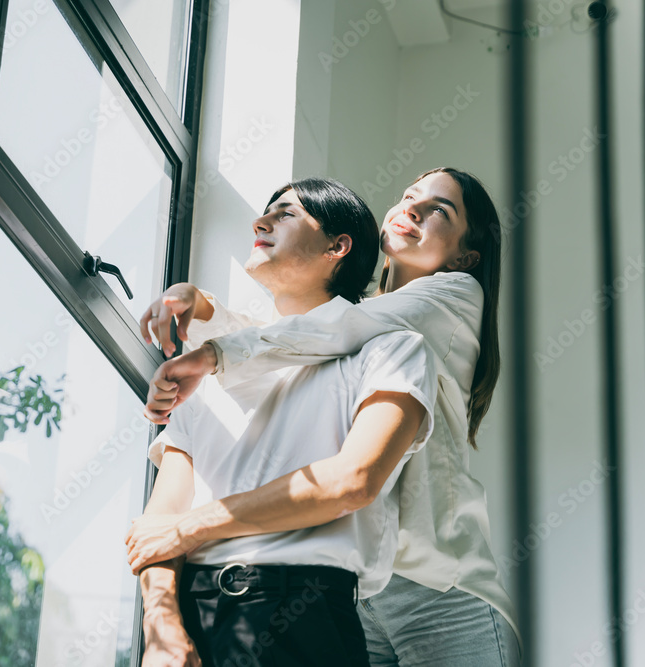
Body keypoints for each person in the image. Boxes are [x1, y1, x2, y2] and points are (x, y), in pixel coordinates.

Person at [130, 168, 521, 665]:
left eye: (440, 209)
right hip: (362, 585)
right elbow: (300, 333)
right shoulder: (349, 325)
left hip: (439, 583)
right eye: (407, 196)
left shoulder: (451, 299)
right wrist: (204, 307)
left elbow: (330, 328)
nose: (413, 209)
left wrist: (213, 352)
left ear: (468, 255)